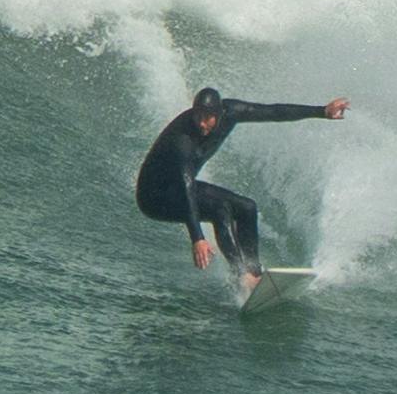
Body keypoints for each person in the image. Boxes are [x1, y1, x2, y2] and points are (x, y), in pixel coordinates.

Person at [136, 86, 348, 295]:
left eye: (208, 117)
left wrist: (321, 111)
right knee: (220, 209)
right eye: (198, 116)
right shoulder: (182, 141)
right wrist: (197, 238)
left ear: (220, 113)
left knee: (247, 207)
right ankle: (241, 275)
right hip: (154, 197)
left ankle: (254, 274)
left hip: (180, 186)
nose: (202, 123)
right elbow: (187, 188)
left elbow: (273, 112)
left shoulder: (231, 112)